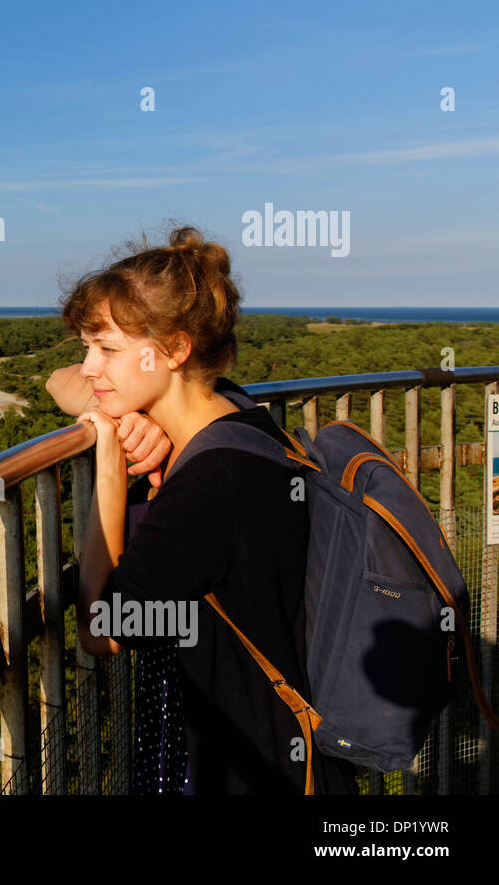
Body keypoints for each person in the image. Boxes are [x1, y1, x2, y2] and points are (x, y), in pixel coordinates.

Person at [47, 224, 356, 795]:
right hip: (274, 746)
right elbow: (59, 382)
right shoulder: (238, 415)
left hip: (241, 765)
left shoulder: (213, 482)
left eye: (108, 349)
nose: (89, 367)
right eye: (88, 347)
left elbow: (103, 630)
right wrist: (124, 415)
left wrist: (110, 471)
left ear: (176, 350)